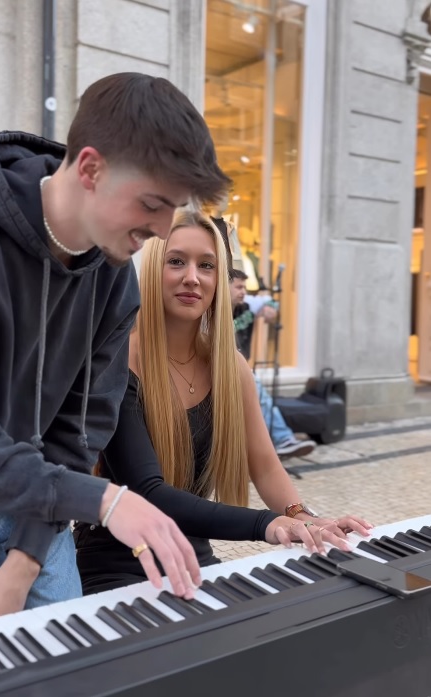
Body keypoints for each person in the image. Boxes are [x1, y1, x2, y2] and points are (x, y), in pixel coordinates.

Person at [0, 73, 232, 621]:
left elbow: (76, 435)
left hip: (38, 502)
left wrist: (23, 563)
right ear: (90, 168)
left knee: (60, 672)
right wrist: (107, 501)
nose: (161, 232)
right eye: (153, 204)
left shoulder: (115, 279)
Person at [74, 209, 372, 593]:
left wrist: (305, 519)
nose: (192, 277)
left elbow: (264, 466)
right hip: (119, 563)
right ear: (152, 270)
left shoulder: (231, 369)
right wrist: (265, 523)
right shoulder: (118, 360)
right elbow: (149, 491)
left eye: (207, 265)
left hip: (192, 556)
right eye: (176, 261)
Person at [229, 270, 316, 458]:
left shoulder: (248, 305)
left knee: (261, 399)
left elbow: (271, 301)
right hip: (225, 368)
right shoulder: (213, 310)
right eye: (238, 287)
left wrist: (270, 309)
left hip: (240, 368)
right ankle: (282, 438)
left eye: (244, 287)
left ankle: (276, 441)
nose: (243, 291)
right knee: (260, 395)